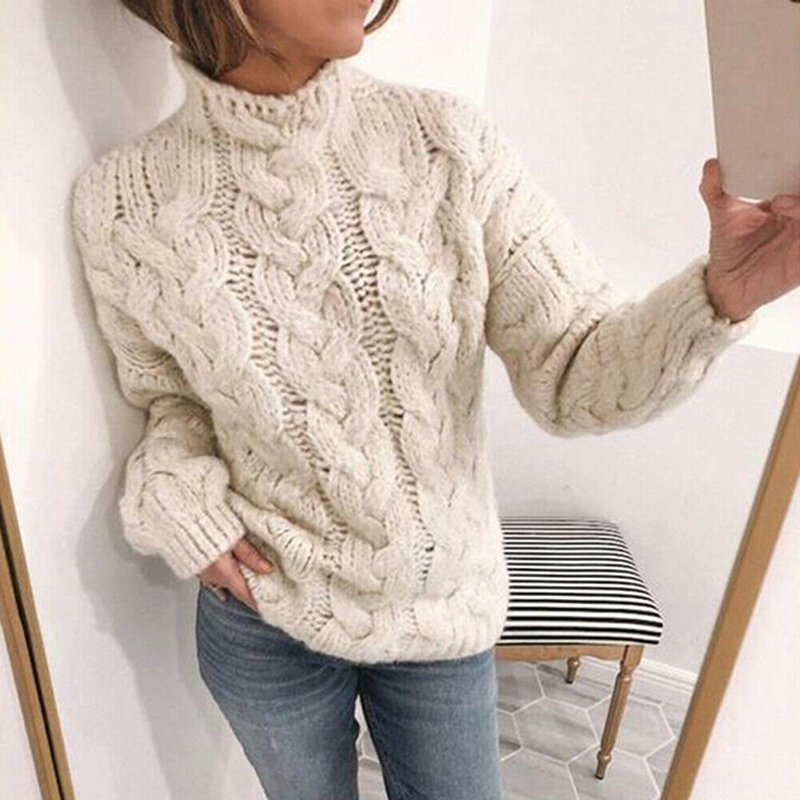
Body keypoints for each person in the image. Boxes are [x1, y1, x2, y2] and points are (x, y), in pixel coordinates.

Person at [70, 1, 799, 798]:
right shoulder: (120, 200)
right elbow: (169, 399)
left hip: (438, 608)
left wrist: (721, 295)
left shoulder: (446, 144)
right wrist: (179, 501)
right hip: (261, 616)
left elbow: (573, 371)